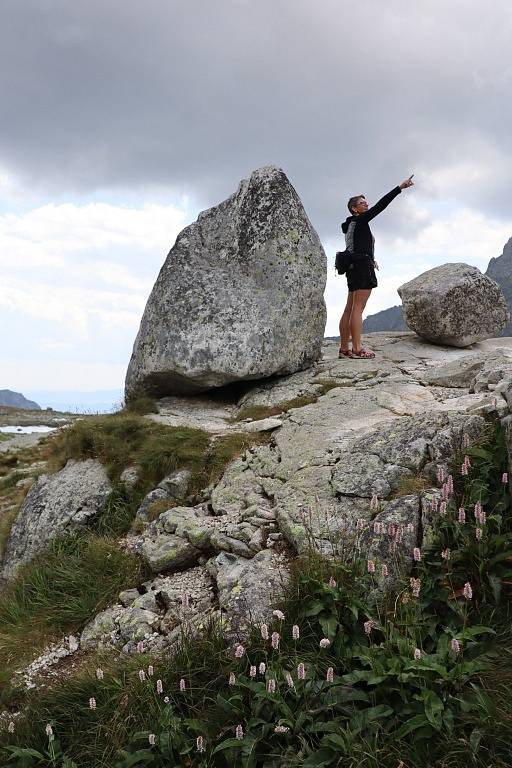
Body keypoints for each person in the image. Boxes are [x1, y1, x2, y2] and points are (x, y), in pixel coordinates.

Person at [338, 174, 415, 359]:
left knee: (349, 308)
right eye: (362, 203)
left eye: (366, 202)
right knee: (358, 309)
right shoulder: (361, 220)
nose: (367, 204)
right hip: (362, 267)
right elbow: (382, 205)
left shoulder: (350, 224)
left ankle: (344, 349)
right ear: (354, 209)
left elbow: (357, 246)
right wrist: (400, 187)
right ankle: (357, 349)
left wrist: (370, 258)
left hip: (353, 267)